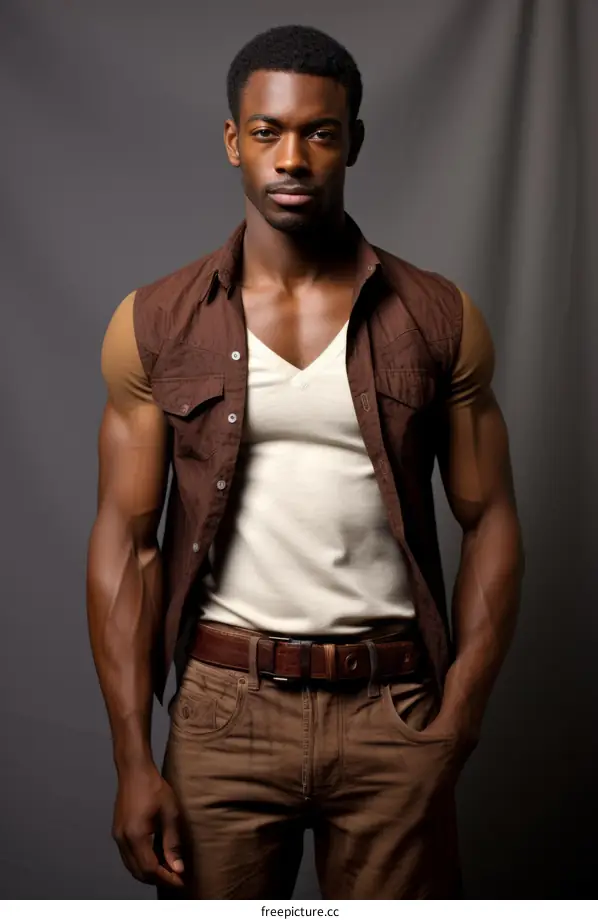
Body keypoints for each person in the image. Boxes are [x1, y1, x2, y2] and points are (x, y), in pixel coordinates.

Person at [87, 24, 524, 900]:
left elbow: (492, 521)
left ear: (352, 142)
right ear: (233, 141)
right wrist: (133, 759)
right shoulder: (156, 322)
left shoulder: (438, 317)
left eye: (319, 133)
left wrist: (460, 719)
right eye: (267, 132)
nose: (291, 158)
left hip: (394, 705)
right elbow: (126, 546)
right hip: (223, 710)